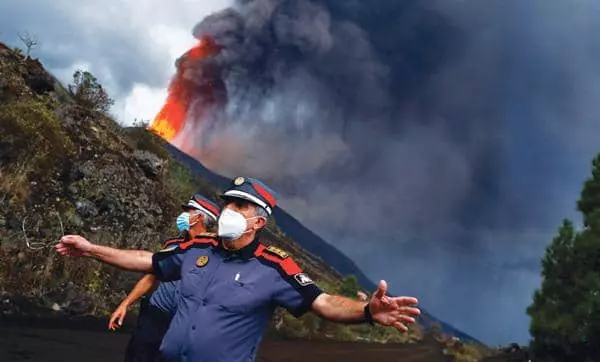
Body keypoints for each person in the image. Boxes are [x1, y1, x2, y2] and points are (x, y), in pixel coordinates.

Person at [56, 176, 421, 362]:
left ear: (259, 222)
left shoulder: (275, 266)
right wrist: (90, 250)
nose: (229, 211)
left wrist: (368, 312)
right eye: (228, 203)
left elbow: (322, 302)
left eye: (241, 207)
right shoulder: (197, 248)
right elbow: (148, 261)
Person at [108, 194, 220, 362]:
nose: (183, 216)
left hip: (182, 322)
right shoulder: (172, 245)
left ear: (198, 217)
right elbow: (151, 276)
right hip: (154, 314)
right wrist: (125, 304)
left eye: (188, 212)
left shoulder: (215, 254)